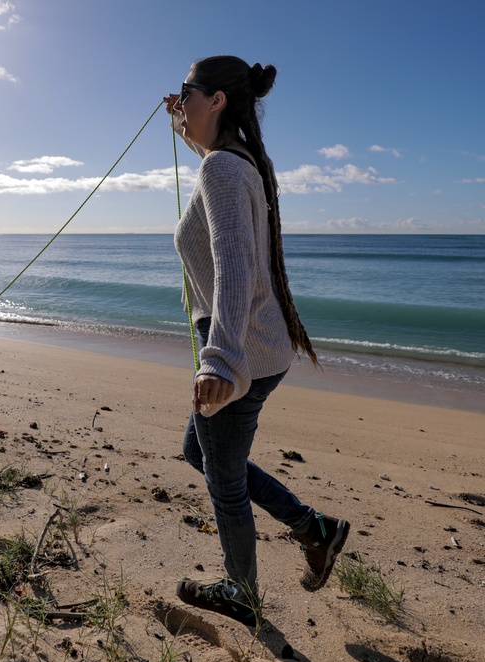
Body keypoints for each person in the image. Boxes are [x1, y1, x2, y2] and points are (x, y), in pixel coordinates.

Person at [163, 56, 349, 628]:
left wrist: (218, 359)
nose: (178, 100)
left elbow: (236, 266)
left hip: (238, 348)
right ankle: (313, 528)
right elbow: (216, 184)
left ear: (217, 99)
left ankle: (242, 589)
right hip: (258, 346)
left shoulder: (222, 168)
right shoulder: (238, 159)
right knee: (204, 453)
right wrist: (185, 126)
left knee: (221, 475)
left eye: (186, 92)